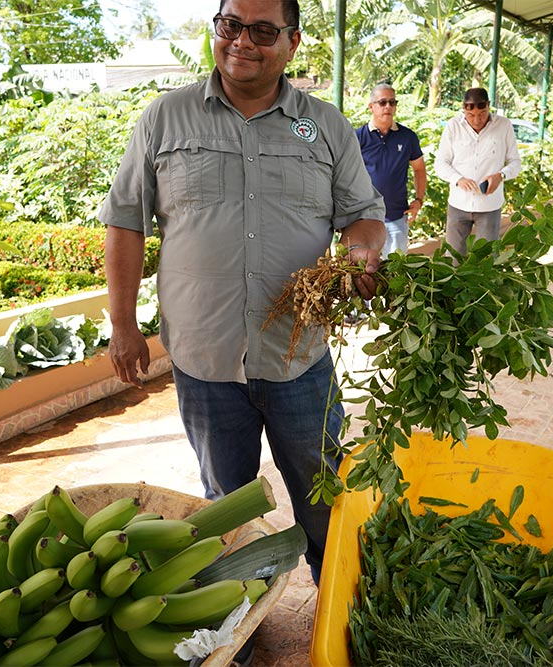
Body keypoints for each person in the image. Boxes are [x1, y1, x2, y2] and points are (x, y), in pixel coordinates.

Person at [98, 0, 385, 592]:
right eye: (231, 26)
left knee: (323, 499)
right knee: (224, 511)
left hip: (298, 357)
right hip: (205, 362)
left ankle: (339, 612)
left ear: (292, 41)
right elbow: (126, 221)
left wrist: (361, 251)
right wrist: (122, 323)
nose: (243, 42)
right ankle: (236, 628)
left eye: (262, 30)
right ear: (216, 30)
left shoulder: (326, 125)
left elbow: (362, 215)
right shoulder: (164, 118)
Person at [433, 87, 521, 257]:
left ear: (488, 106)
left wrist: (500, 176)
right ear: (464, 109)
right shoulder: (453, 126)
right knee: (452, 259)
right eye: (471, 115)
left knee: (486, 260)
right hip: (458, 203)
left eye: (482, 113)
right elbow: (440, 163)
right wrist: (458, 179)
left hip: (490, 206)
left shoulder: (504, 126)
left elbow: (515, 162)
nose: (476, 120)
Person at [356, 83, 427, 258]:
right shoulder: (357, 137)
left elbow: (419, 169)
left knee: (395, 274)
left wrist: (419, 200)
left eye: (392, 102)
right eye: (382, 102)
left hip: (396, 217)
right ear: (371, 106)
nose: (388, 106)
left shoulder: (408, 137)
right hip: (364, 220)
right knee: (363, 273)